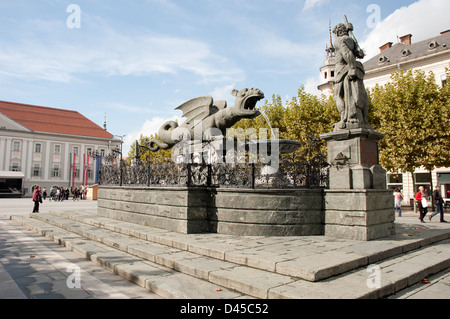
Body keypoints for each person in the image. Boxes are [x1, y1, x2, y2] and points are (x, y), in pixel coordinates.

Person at [332, 22, 372, 132]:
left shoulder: (339, 41)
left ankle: (343, 117)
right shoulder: (351, 41)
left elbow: (347, 54)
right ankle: (363, 119)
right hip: (353, 68)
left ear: (338, 32)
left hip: (342, 70)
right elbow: (360, 54)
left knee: (337, 95)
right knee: (357, 93)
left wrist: (352, 68)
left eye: (335, 33)